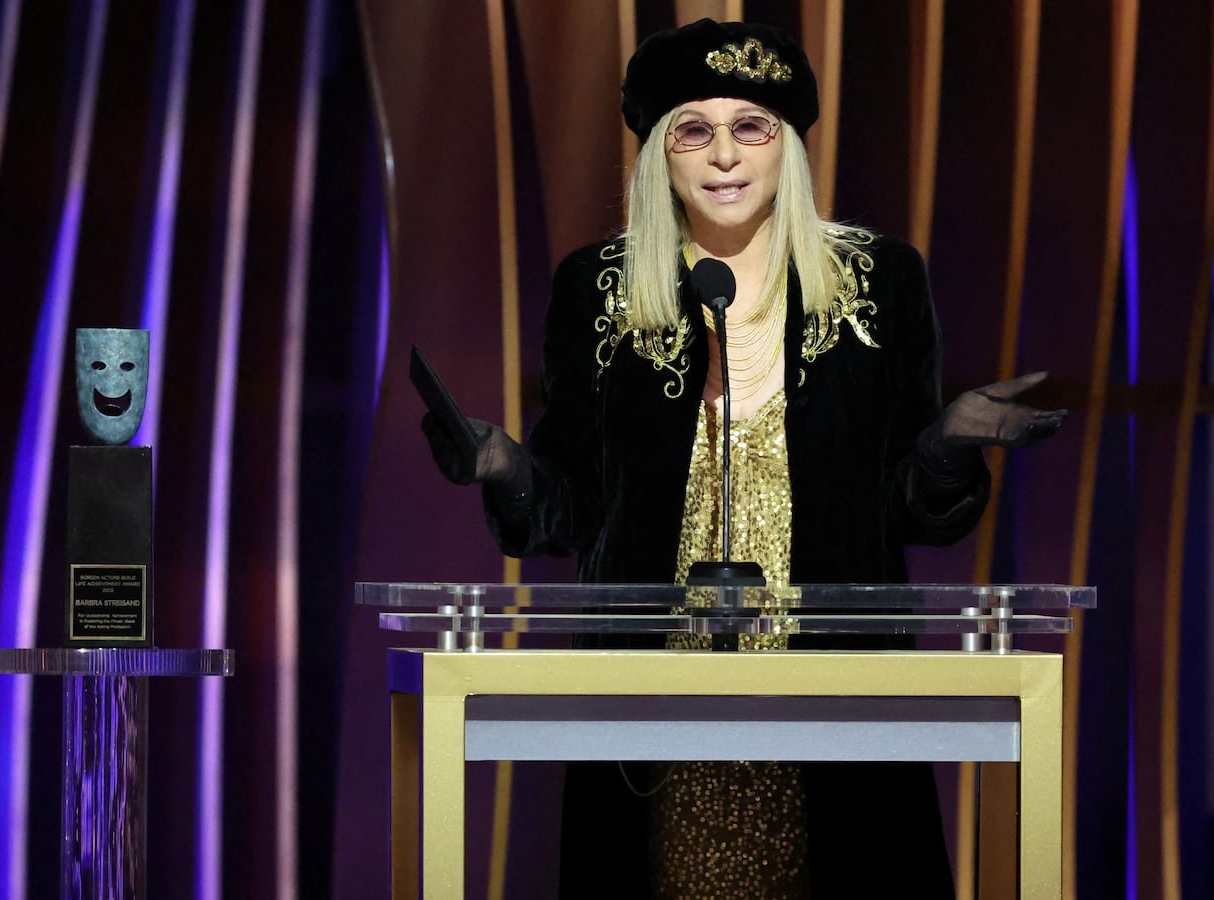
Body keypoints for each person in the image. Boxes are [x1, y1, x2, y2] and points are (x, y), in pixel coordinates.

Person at [422, 18, 1065, 899]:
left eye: (750, 126)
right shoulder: (598, 289)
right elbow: (571, 511)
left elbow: (911, 513)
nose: (724, 155)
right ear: (661, 156)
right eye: (694, 129)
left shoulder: (877, 281)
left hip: (836, 699)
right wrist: (505, 467)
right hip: (654, 707)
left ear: (787, 147)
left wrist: (948, 444)